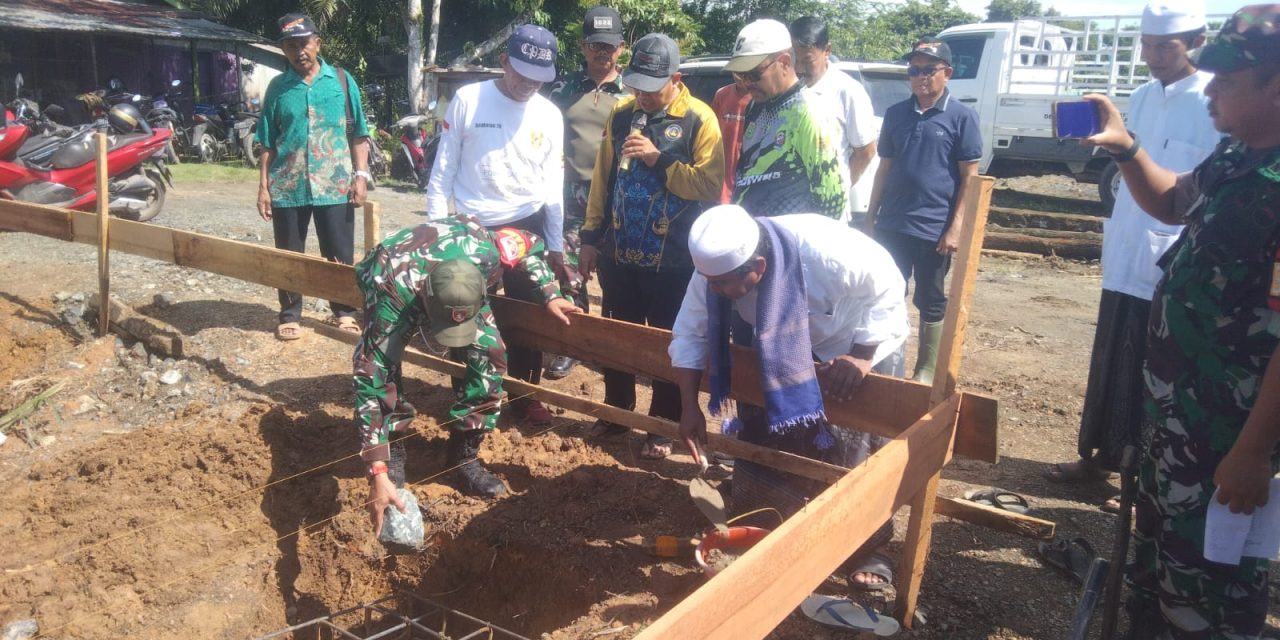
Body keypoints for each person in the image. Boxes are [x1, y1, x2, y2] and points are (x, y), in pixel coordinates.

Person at [1079, 6, 1280, 637]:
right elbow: (1171, 200)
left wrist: (1253, 453)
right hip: (1178, 424)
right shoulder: (1237, 157)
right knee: (1160, 576)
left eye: (1229, 77)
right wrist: (1127, 148)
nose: (1211, 88)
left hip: (1230, 441)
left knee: (1212, 597)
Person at [669, 204, 909, 589]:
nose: (715, 292)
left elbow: (889, 290)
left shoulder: (829, 254)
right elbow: (689, 333)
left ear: (759, 267)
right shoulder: (713, 274)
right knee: (763, 427)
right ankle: (771, 518)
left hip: (855, 338)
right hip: (775, 340)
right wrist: (689, 408)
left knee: (854, 450)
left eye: (723, 285)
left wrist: (862, 357)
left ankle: (866, 548)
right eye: (710, 282)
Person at [1044, 1, 1220, 501]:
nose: (1154, 56)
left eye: (1167, 46)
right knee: (1109, 364)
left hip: (1169, 262)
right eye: (1147, 45)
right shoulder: (1141, 95)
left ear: (1196, 43)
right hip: (1125, 254)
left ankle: (1140, 475)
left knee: (1152, 373)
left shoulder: (1213, 101)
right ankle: (1097, 457)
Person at [356, 218, 580, 532]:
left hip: (459, 275)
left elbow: (532, 246)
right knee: (388, 368)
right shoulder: (391, 294)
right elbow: (372, 379)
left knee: (492, 357)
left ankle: (463, 456)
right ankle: (395, 454)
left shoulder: (489, 252)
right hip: (396, 272)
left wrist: (550, 292)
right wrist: (377, 470)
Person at [577, 33, 724, 459]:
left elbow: (710, 186)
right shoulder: (622, 114)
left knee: (667, 342)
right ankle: (617, 410)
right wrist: (590, 237)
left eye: (650, 87)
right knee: (617, 336)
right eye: (636, 84)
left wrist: (658, 160)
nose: (641, 94)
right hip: (620, 252)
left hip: (674, 260)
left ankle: (661, 425)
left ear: (675, 78)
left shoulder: (699, 119)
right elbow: (602, 179)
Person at [426, 24, 565, 427]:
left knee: (526, 314)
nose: (528, 85)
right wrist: (439, 233)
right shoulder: (469, 100)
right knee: (461, 309)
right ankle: (467, 392)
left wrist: (554, 243)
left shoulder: (550, 115)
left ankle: (524, 393)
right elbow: (443, 172)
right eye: (522, 74)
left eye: (539, 80)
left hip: (527, 224)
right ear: (504, 61)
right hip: (473, 225)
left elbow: (554, 184)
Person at [865, 38, 983, 385]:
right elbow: (884, 169)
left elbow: (969, 178)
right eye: (914, 71)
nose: (920, 77)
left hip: (933, 228)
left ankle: (927, 370)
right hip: (892, 224)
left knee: (930, 298)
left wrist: (956, 227)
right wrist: (871, 219)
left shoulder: (962, 117)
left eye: (928, 70)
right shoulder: (897, 114)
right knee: (886, 292)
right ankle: (887, 361)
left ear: (946, 73)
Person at [256, 13, 371, 342]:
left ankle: (345, 312)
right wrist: (264, 187)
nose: (299, 51)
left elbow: (359, 135)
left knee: (339, 254)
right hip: (288, 185)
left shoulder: (342, 82)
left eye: (304, 43)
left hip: (335, 184)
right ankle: (290, 313)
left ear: (317, 43)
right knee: (289, 253)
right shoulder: (278, 89)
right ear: (284, 50)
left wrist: (360, 176)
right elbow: (267, 143)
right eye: (290, 46)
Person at [544, 6, 629, 381]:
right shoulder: (561, 90)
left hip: (618, 197)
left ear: (621, 48)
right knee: (570, 272)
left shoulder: (632, 93)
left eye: (608, 46)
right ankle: (572, 344)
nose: (601, 52)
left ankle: (611, 346)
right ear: (582, 46)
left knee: (615, 274)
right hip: (571, 195)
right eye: (595, 44)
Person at [724, 19, 846, 219]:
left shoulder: (809, 113)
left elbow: (832, 201)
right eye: (740, 74)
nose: (746, 83)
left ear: (784, 63)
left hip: (790, 244)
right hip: (756, 237)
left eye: (754, 74)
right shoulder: (754, 106)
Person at [789, 16, 879, 224]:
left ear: (827, 50)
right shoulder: (789, 91)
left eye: (807, 60)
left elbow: (866, 151)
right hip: (790, 209)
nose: (800, 68)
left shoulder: (847, 91)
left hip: (828, 214)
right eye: (795, 59)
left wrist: (838, 189)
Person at [710, 77, 751, 203]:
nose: (740, 77)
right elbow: (711, 130)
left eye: (744, 74)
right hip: (723, 171)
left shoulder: (759, 96)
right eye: (737, 72)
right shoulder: (722, 94)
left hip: (748, 170)